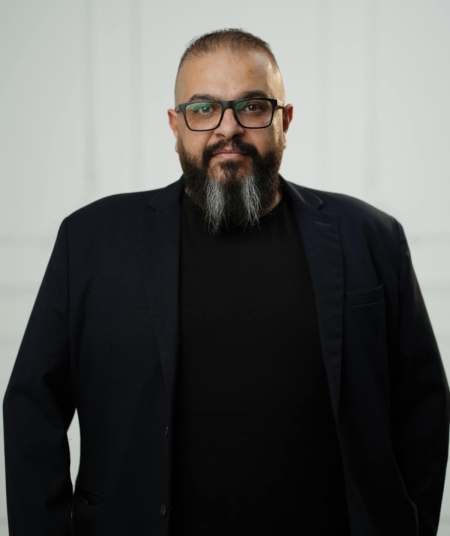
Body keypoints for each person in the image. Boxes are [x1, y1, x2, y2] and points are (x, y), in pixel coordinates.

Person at [3, 28, 450, 536]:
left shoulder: (371, 237)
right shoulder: (91, 240)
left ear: (285, 121)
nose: (228, 128)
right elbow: (32, 408)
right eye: (203, 109)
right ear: (176, 125)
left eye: (252, 107)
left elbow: (424, 405)